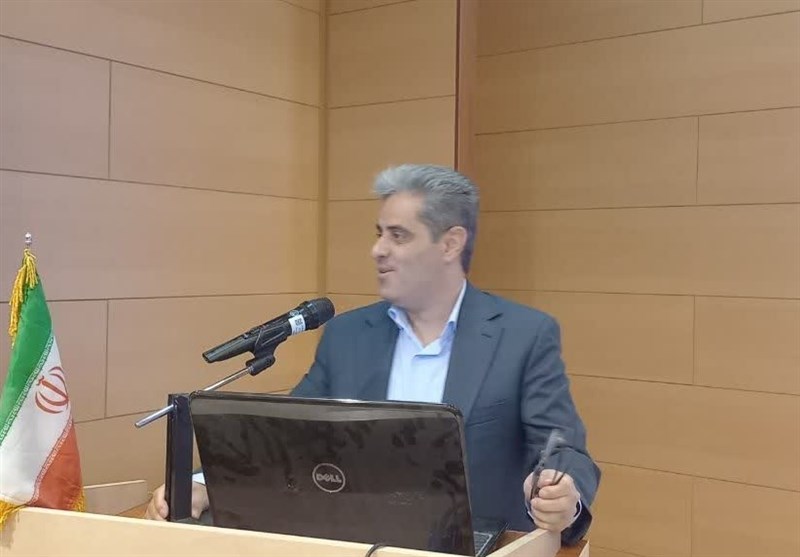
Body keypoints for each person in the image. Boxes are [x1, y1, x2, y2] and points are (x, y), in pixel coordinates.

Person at [146, 164, 600, 545]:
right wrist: (203, 485)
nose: (378, 250)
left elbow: (562, 447)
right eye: (379, 234)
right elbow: (286, 437)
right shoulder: (348, 335)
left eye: (398, 236)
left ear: (450, 244)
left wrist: (563, 492)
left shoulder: (523, 335)